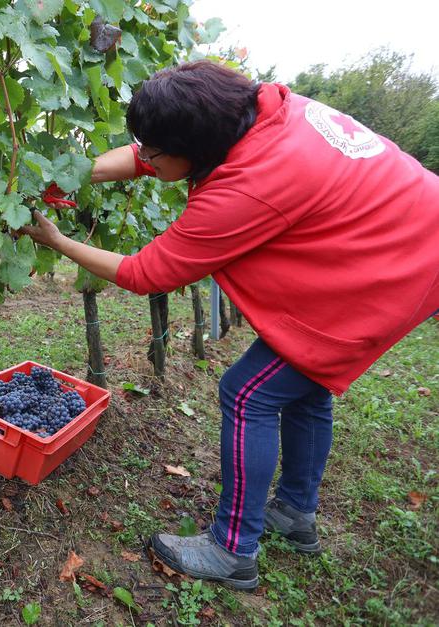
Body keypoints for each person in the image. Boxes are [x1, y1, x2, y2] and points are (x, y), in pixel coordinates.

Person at [23, 60, 439, 590]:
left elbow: (147, 273)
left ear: (190, 152)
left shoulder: (247, 187)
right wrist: (70, 175)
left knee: (248, 394)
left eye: (153, 151)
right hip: (411, 239)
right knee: (304, 390)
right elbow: (149, 157)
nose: (143, 158)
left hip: (398, 269)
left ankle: (233, 550)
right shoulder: (253, 112)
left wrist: (58, 243)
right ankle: (294, 513)